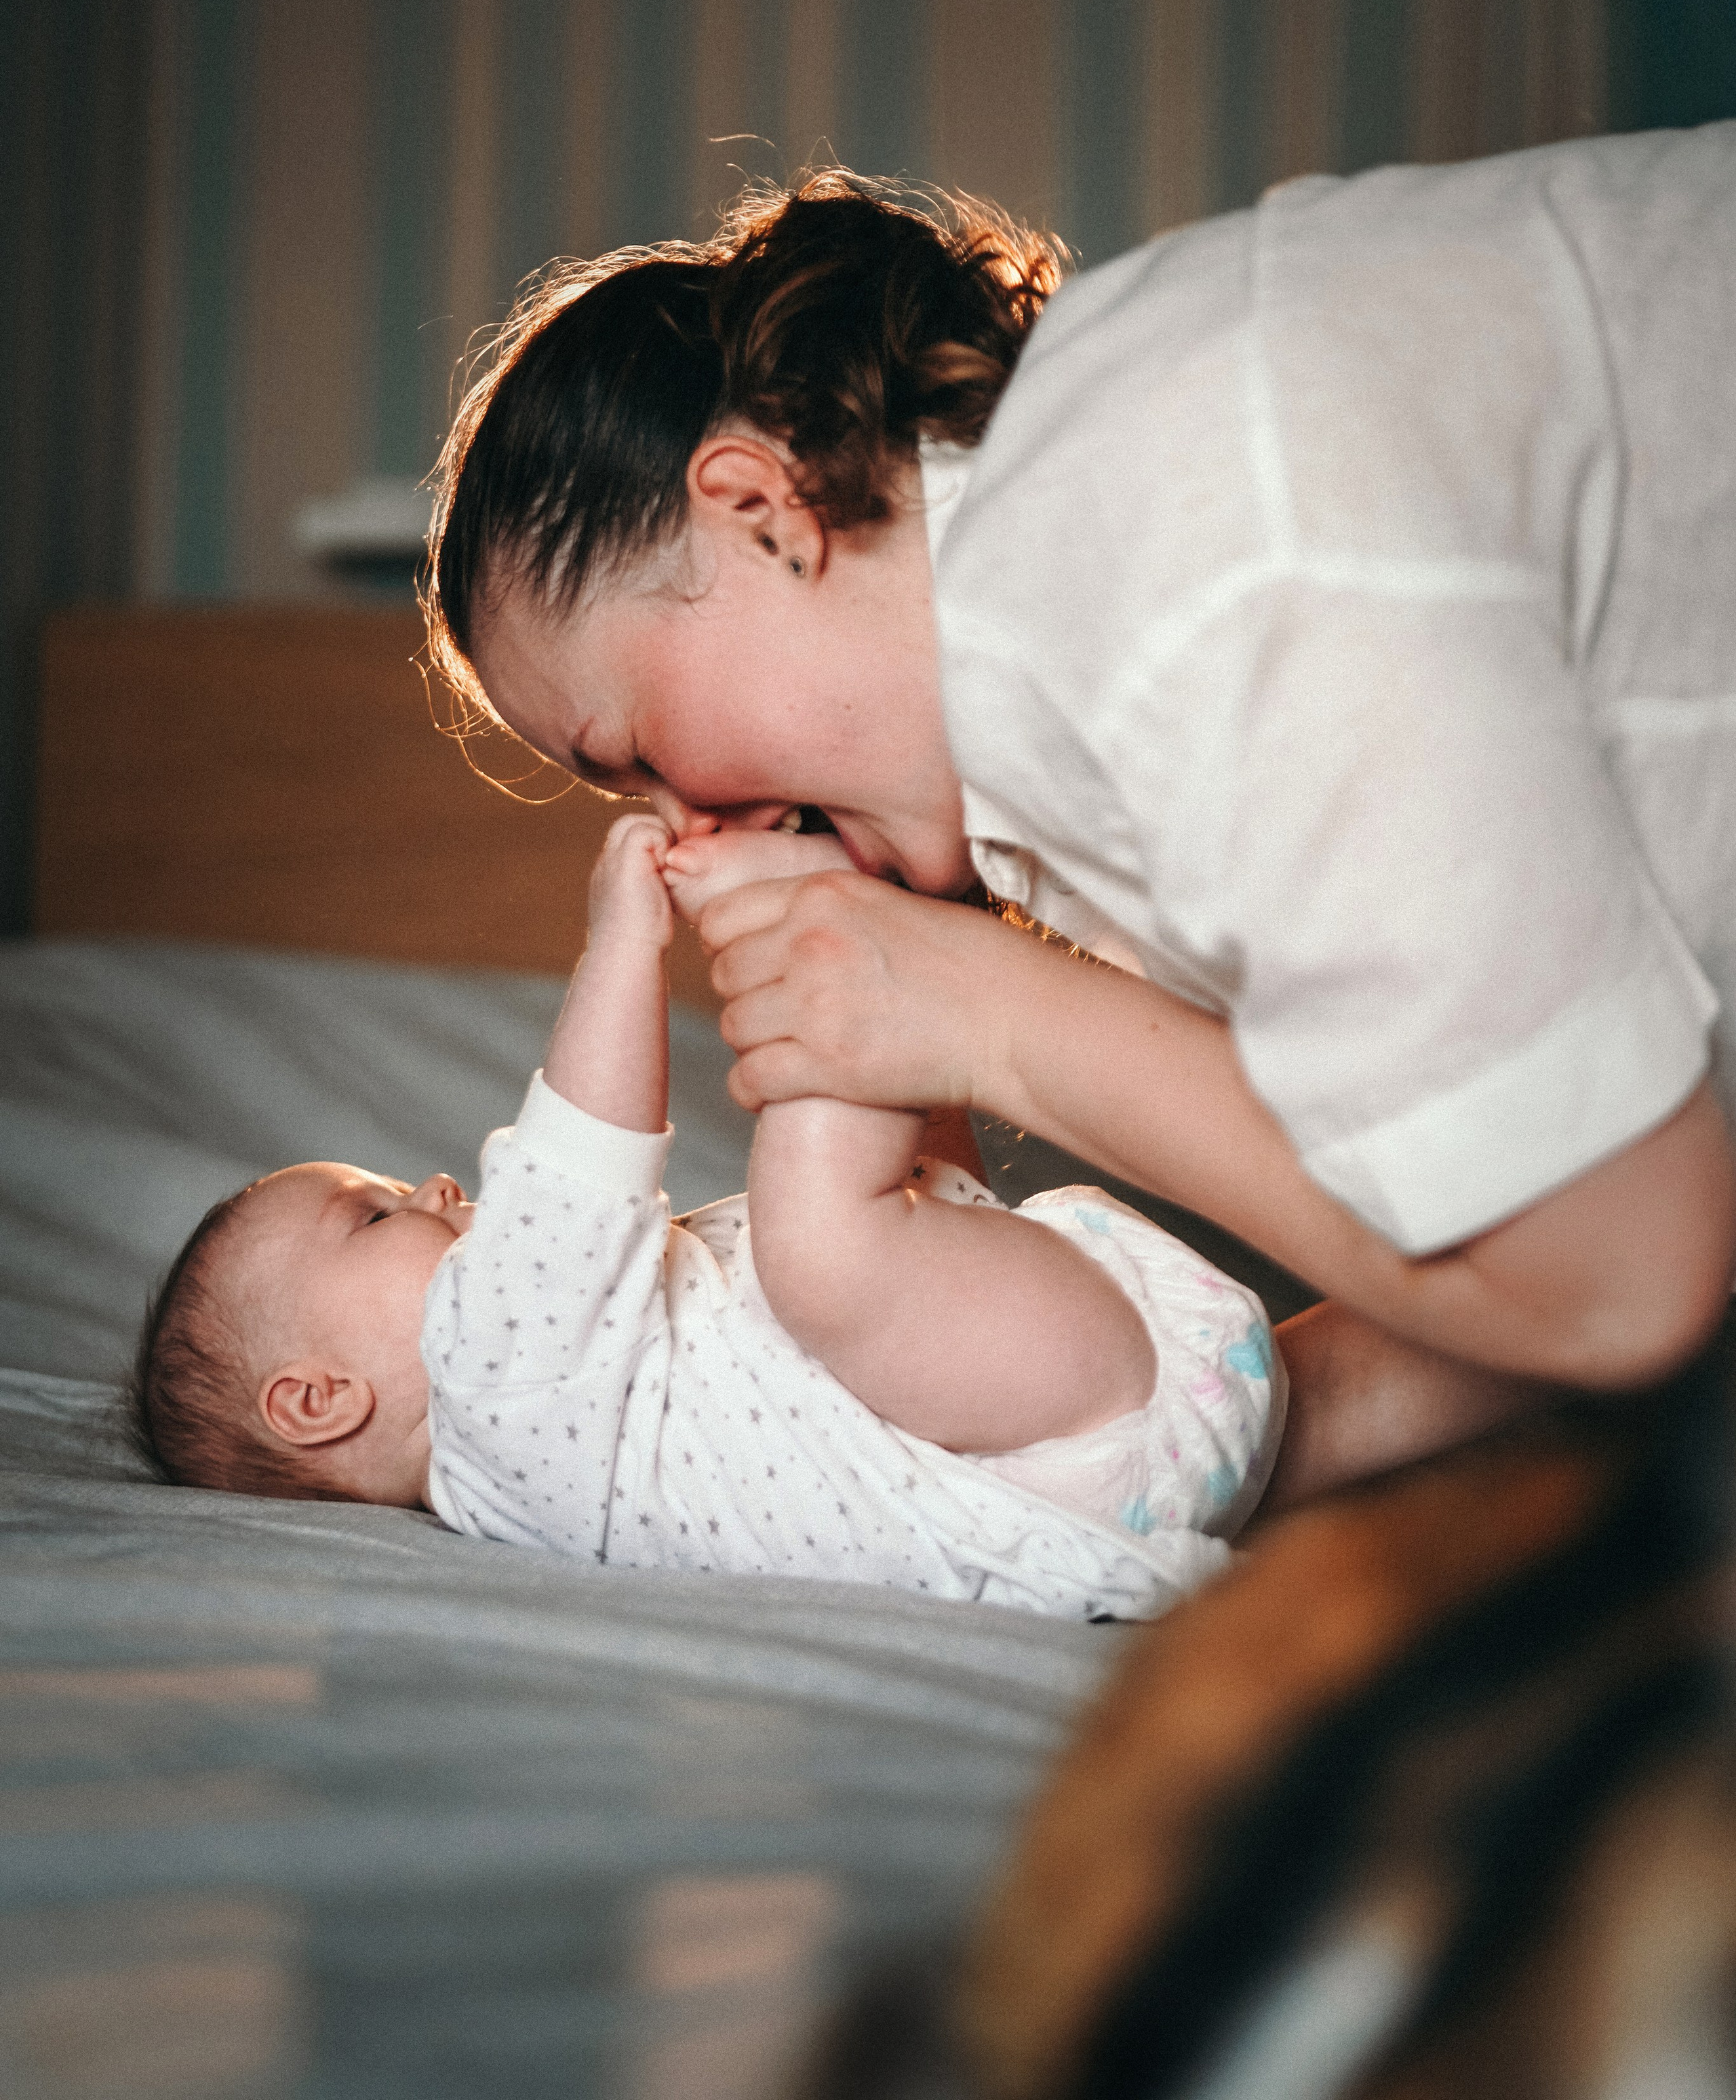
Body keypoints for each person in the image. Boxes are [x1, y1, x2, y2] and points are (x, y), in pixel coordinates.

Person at [424, 134, 1736, 1499]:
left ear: (766, 510)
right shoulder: (1078, 750)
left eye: (633, 751)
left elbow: (1623, 1274)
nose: (679, 832)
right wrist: (1174, 1470)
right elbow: (1538, 1245)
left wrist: (991, 1020)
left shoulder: (1192, 563)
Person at [128, 819, 1286, 1620]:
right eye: (372, 1219)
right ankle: (845, 909)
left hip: (1066, 1463)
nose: (435, 1189)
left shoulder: (544, 1453)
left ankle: (1472, 1338)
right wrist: (622, 941)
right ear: (319, 1400)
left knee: (871, 1216)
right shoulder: (487, 1385)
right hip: (1050, 1427)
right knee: (818, 1225)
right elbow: (580, 1159)